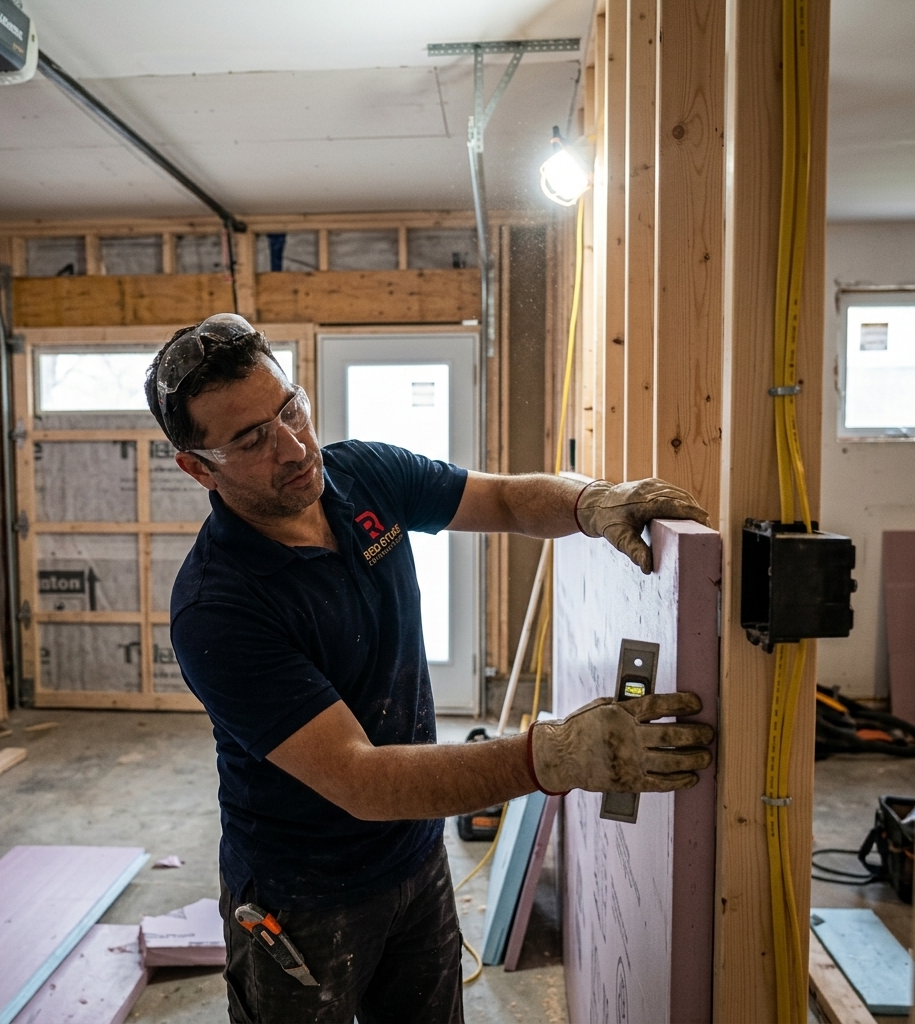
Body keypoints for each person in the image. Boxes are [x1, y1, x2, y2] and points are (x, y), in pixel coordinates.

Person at [143, 314, 716, 1024]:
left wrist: (589, 502)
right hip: (302, 898)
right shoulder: (217, 608)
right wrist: (555, 755)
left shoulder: (362, 476)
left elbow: (504, 499)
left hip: (416, 852)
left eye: (290, 409)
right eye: (252, 440)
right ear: (198, 467)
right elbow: (360, 778)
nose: (292, 446)